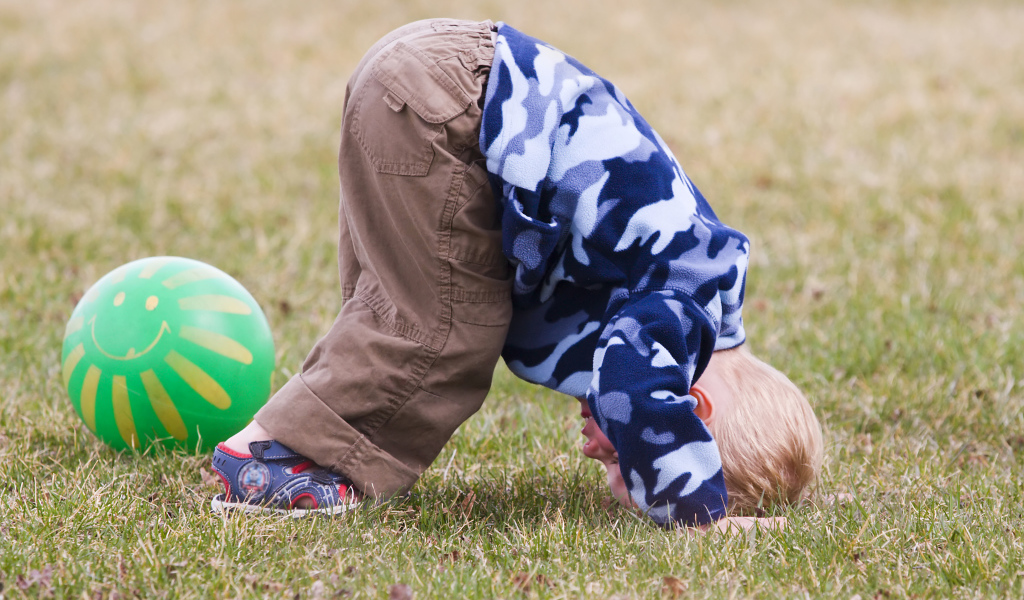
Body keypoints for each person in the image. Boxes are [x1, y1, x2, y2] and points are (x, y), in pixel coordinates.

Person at [209, 18, 823, 529]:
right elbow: (631, 383)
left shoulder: (696, 283)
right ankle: (265, 456)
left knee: (393, 307)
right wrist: (698, 515)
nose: (590, 452)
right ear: (689, 407)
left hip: (434, 76)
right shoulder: (682, 307)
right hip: (454, 109)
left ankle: (311, 449)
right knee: (446, 327)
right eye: (620, 463)